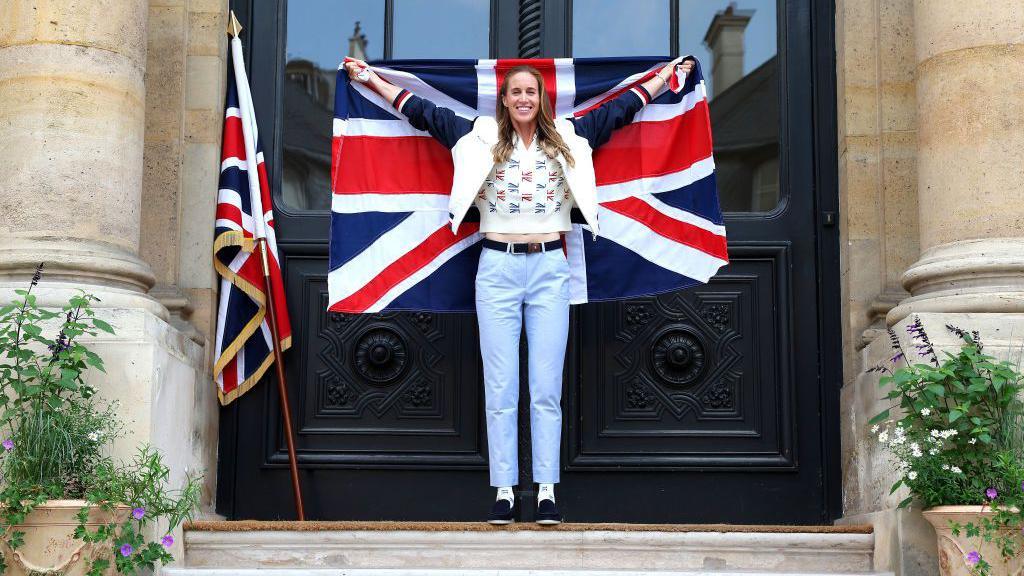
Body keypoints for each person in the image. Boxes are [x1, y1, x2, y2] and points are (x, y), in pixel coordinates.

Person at [344, 55, 693, 525]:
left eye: (531, 92)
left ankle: (546, 490)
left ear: (541, 99)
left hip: (551, 267)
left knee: (546, 387)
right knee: (501, 385)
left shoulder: (571, 137)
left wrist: (662, 81)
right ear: (504, 101)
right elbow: (420, 112)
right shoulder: (477, 139)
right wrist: (371, 80)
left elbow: (622, 109)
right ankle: (505, 490)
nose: (524, 99)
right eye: (516, 93)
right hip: (496, 270)